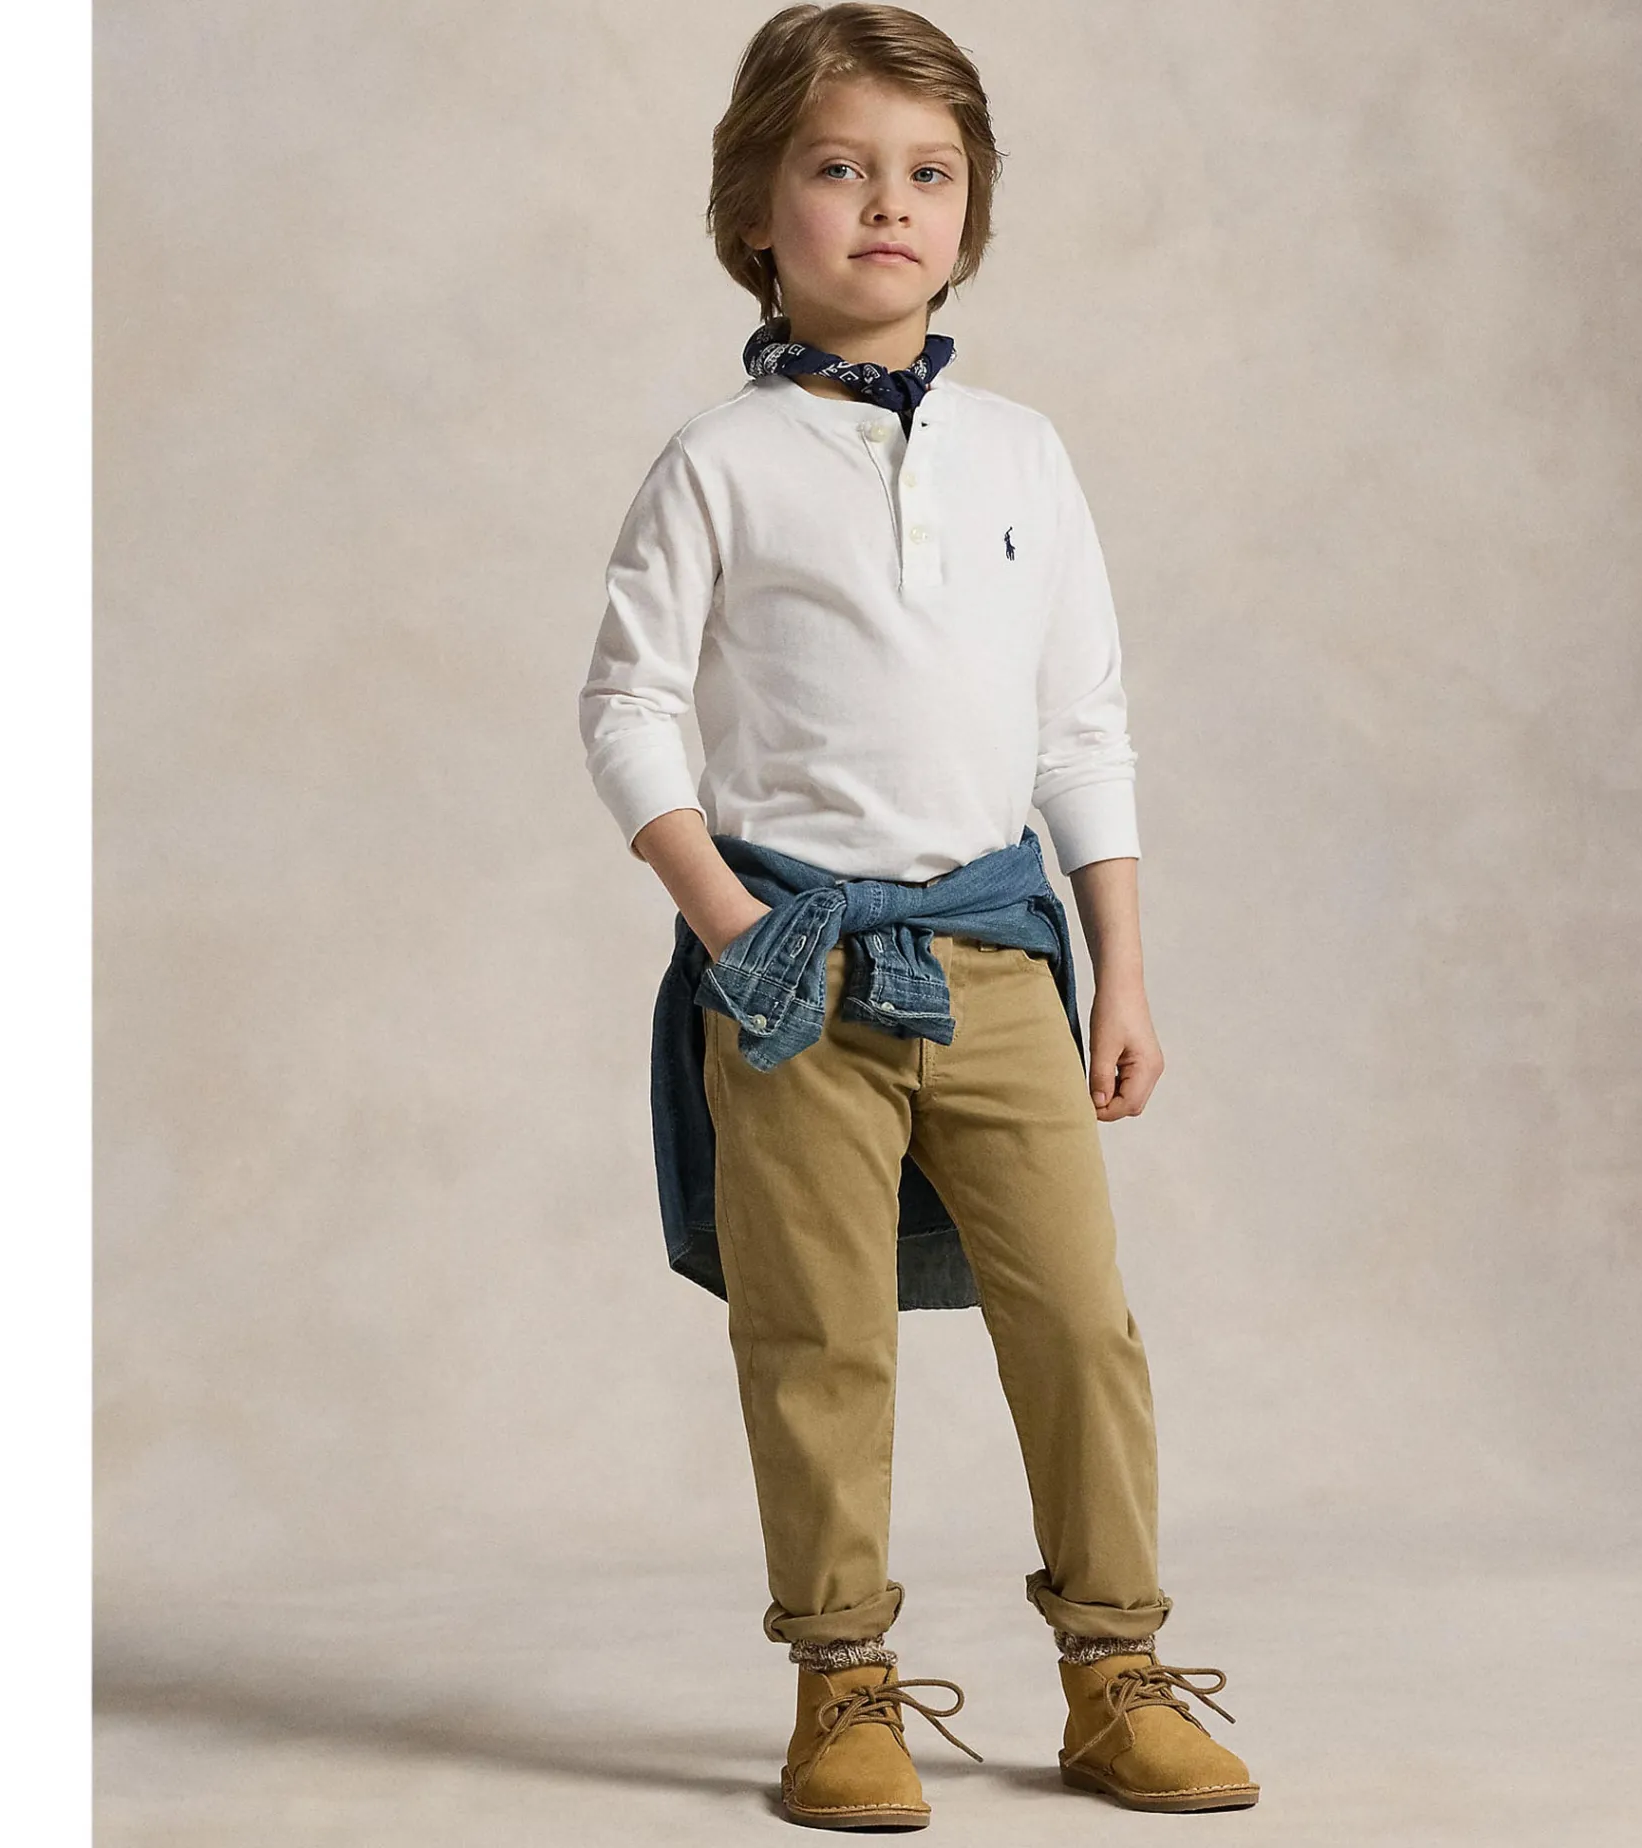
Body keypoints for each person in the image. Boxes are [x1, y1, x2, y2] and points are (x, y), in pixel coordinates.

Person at [578, 3, 1260, 1827]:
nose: (890, 202)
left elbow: (1082, 727)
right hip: (790, 969)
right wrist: (727, 920)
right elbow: (627, 707)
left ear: (969, 216)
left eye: (929, 173)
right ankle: (842, 1690)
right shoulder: (718, 460)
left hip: (1003, 956)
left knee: (1080, 1325)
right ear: (757, 211)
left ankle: (1116, 1675)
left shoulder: (1026, 455)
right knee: (817, 1338)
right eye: (840, 166)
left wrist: (1122, 972)